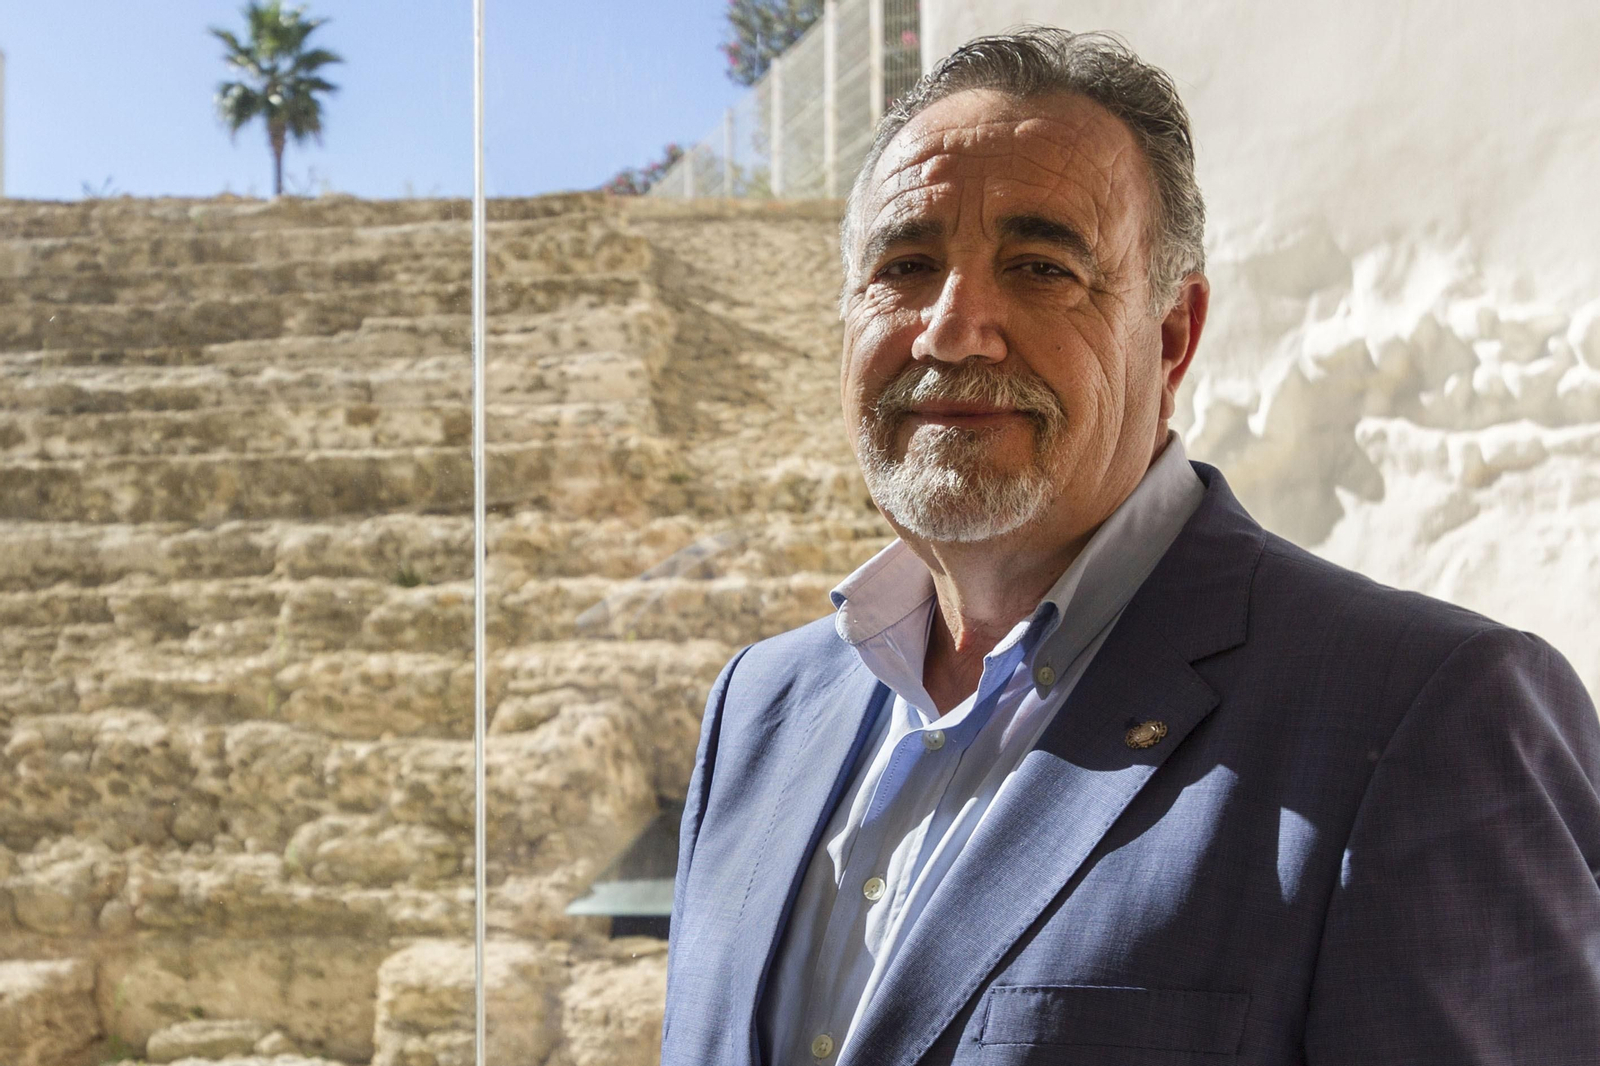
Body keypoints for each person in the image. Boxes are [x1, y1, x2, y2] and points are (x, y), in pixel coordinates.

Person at [660, 28, 1600, 1066]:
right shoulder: (759, 710)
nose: (951, 327)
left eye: (1039, 266)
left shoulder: (1429, 716)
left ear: (1171, 335)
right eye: (906, 265)